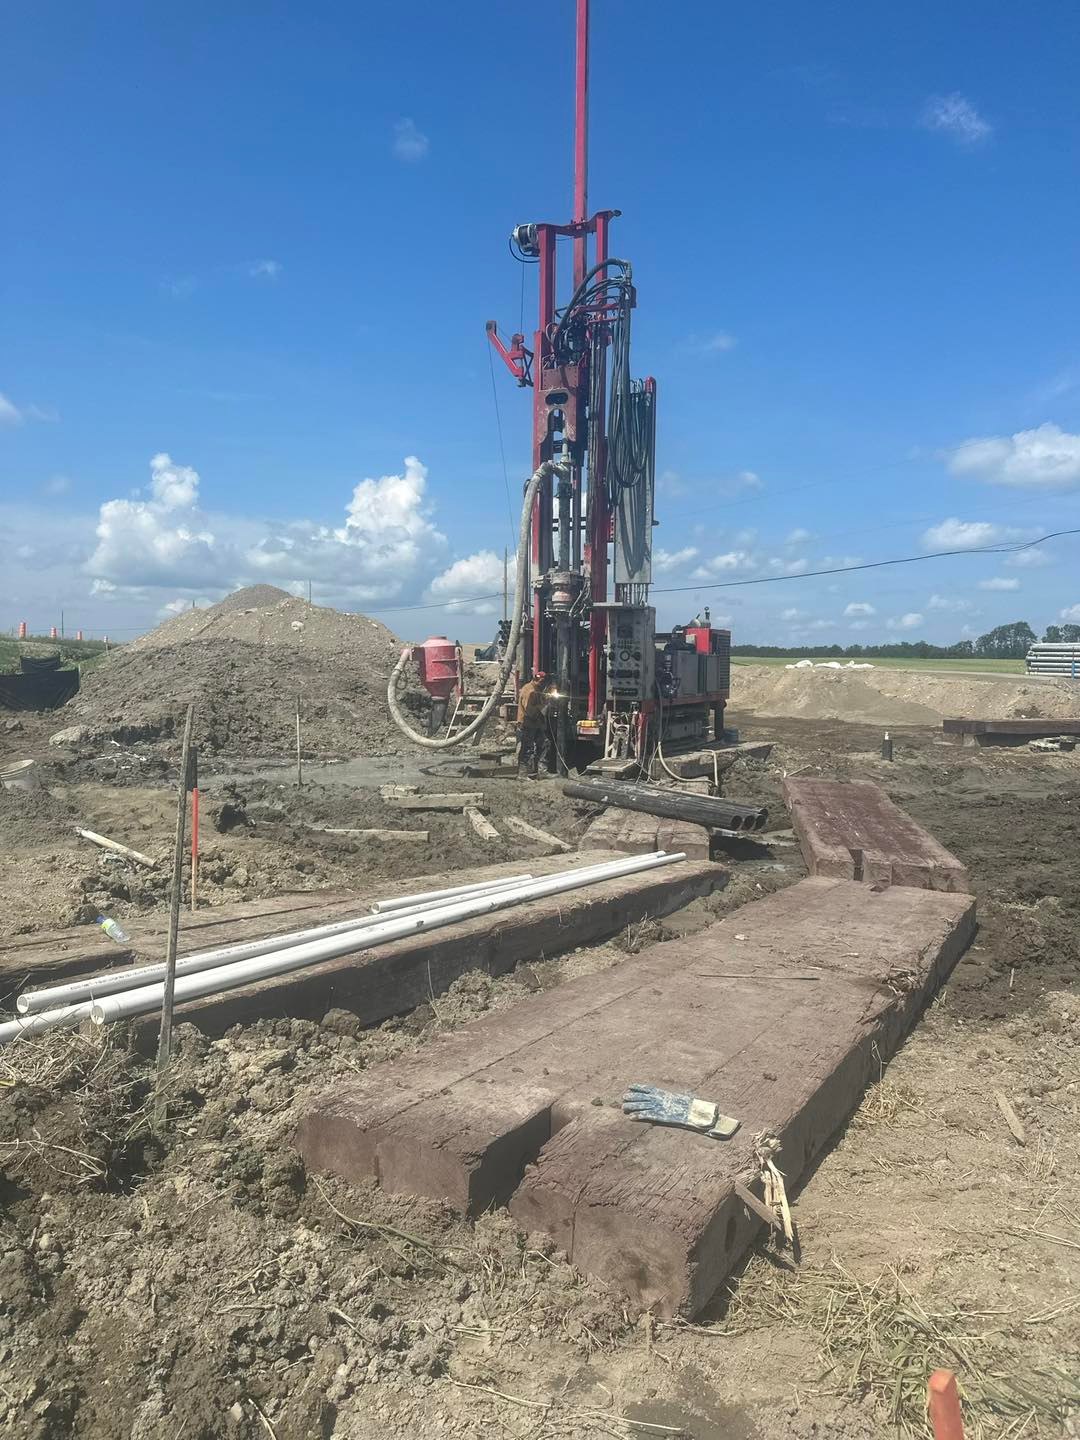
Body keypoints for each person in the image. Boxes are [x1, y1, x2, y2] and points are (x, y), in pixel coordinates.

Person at [516, 671, 554, 778]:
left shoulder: (536, 689)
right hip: (528, 724)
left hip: (536, 724)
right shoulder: (529, 691)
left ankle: (541, 771)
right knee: (527, 748)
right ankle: (522, 774)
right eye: (542, 682)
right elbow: (530, 711)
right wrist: (544, 706)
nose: (543, 684)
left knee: (544, 744)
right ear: (537, 680)